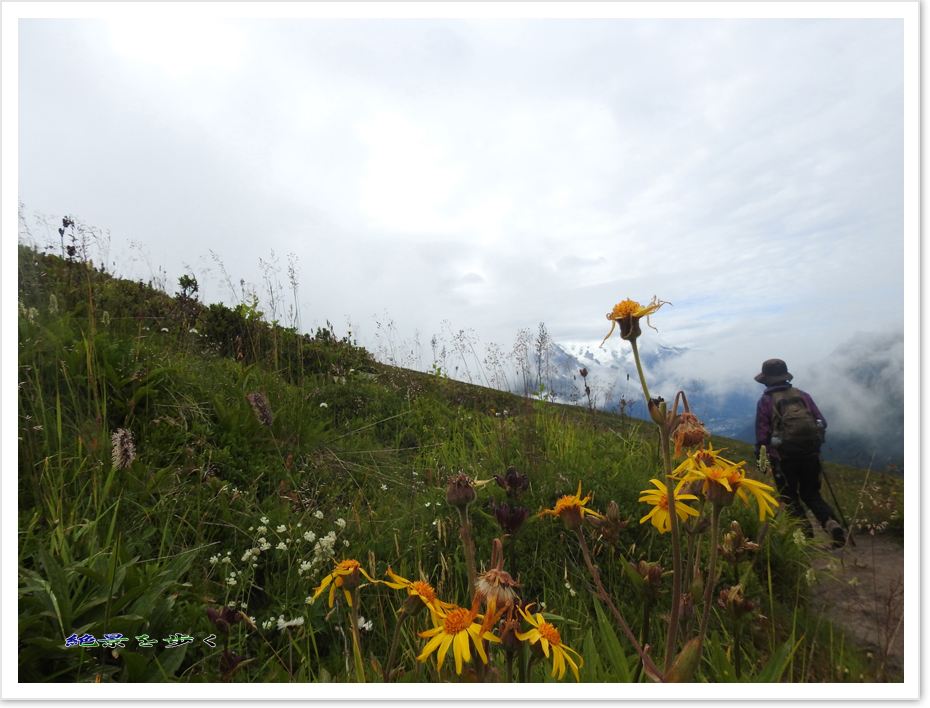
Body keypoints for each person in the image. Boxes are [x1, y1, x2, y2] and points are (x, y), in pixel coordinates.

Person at [753, 358, 846, 546]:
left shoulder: (766, 402)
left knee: (789, 498)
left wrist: (762, 454)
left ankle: (805, 539)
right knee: (811, 493)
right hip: (810, 456)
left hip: (783, 459)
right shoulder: (803, 395)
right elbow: (821, 422)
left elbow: (763, 434)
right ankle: (830, 522)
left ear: (767, 380)